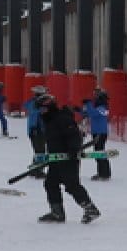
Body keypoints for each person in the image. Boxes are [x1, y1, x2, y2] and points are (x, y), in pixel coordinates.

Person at [32, 92, 100, 223]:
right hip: (56, 159)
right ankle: (57, 212)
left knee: (71, 185)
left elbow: (74, 135)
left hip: (68, 159)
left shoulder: (62, 118)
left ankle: (90, 209)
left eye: (43, 109)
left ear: (50, 107)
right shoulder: (50, 121)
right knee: (50, 183)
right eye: (40, 109)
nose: (41, 112)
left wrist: (73, 150)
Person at [81, 88, 111, 181]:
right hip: (97, 132)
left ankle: (104, 173)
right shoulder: (99, 107)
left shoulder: (103, 108)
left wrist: (88, 104)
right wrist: (80, 110)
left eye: (97, 96)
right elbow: (89, 113)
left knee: (99, 152)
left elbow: (93, 113)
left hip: (100, 133)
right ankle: (103, 172)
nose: (95, 98)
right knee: (98, 152)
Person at [25, 85, 49, 179]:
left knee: (39, 150)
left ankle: (35, 169)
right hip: (35, 130)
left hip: (40, 130)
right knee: (40, 151)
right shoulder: (34, 103)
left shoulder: (38, 103)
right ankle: (38, 170)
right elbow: (34, 113)